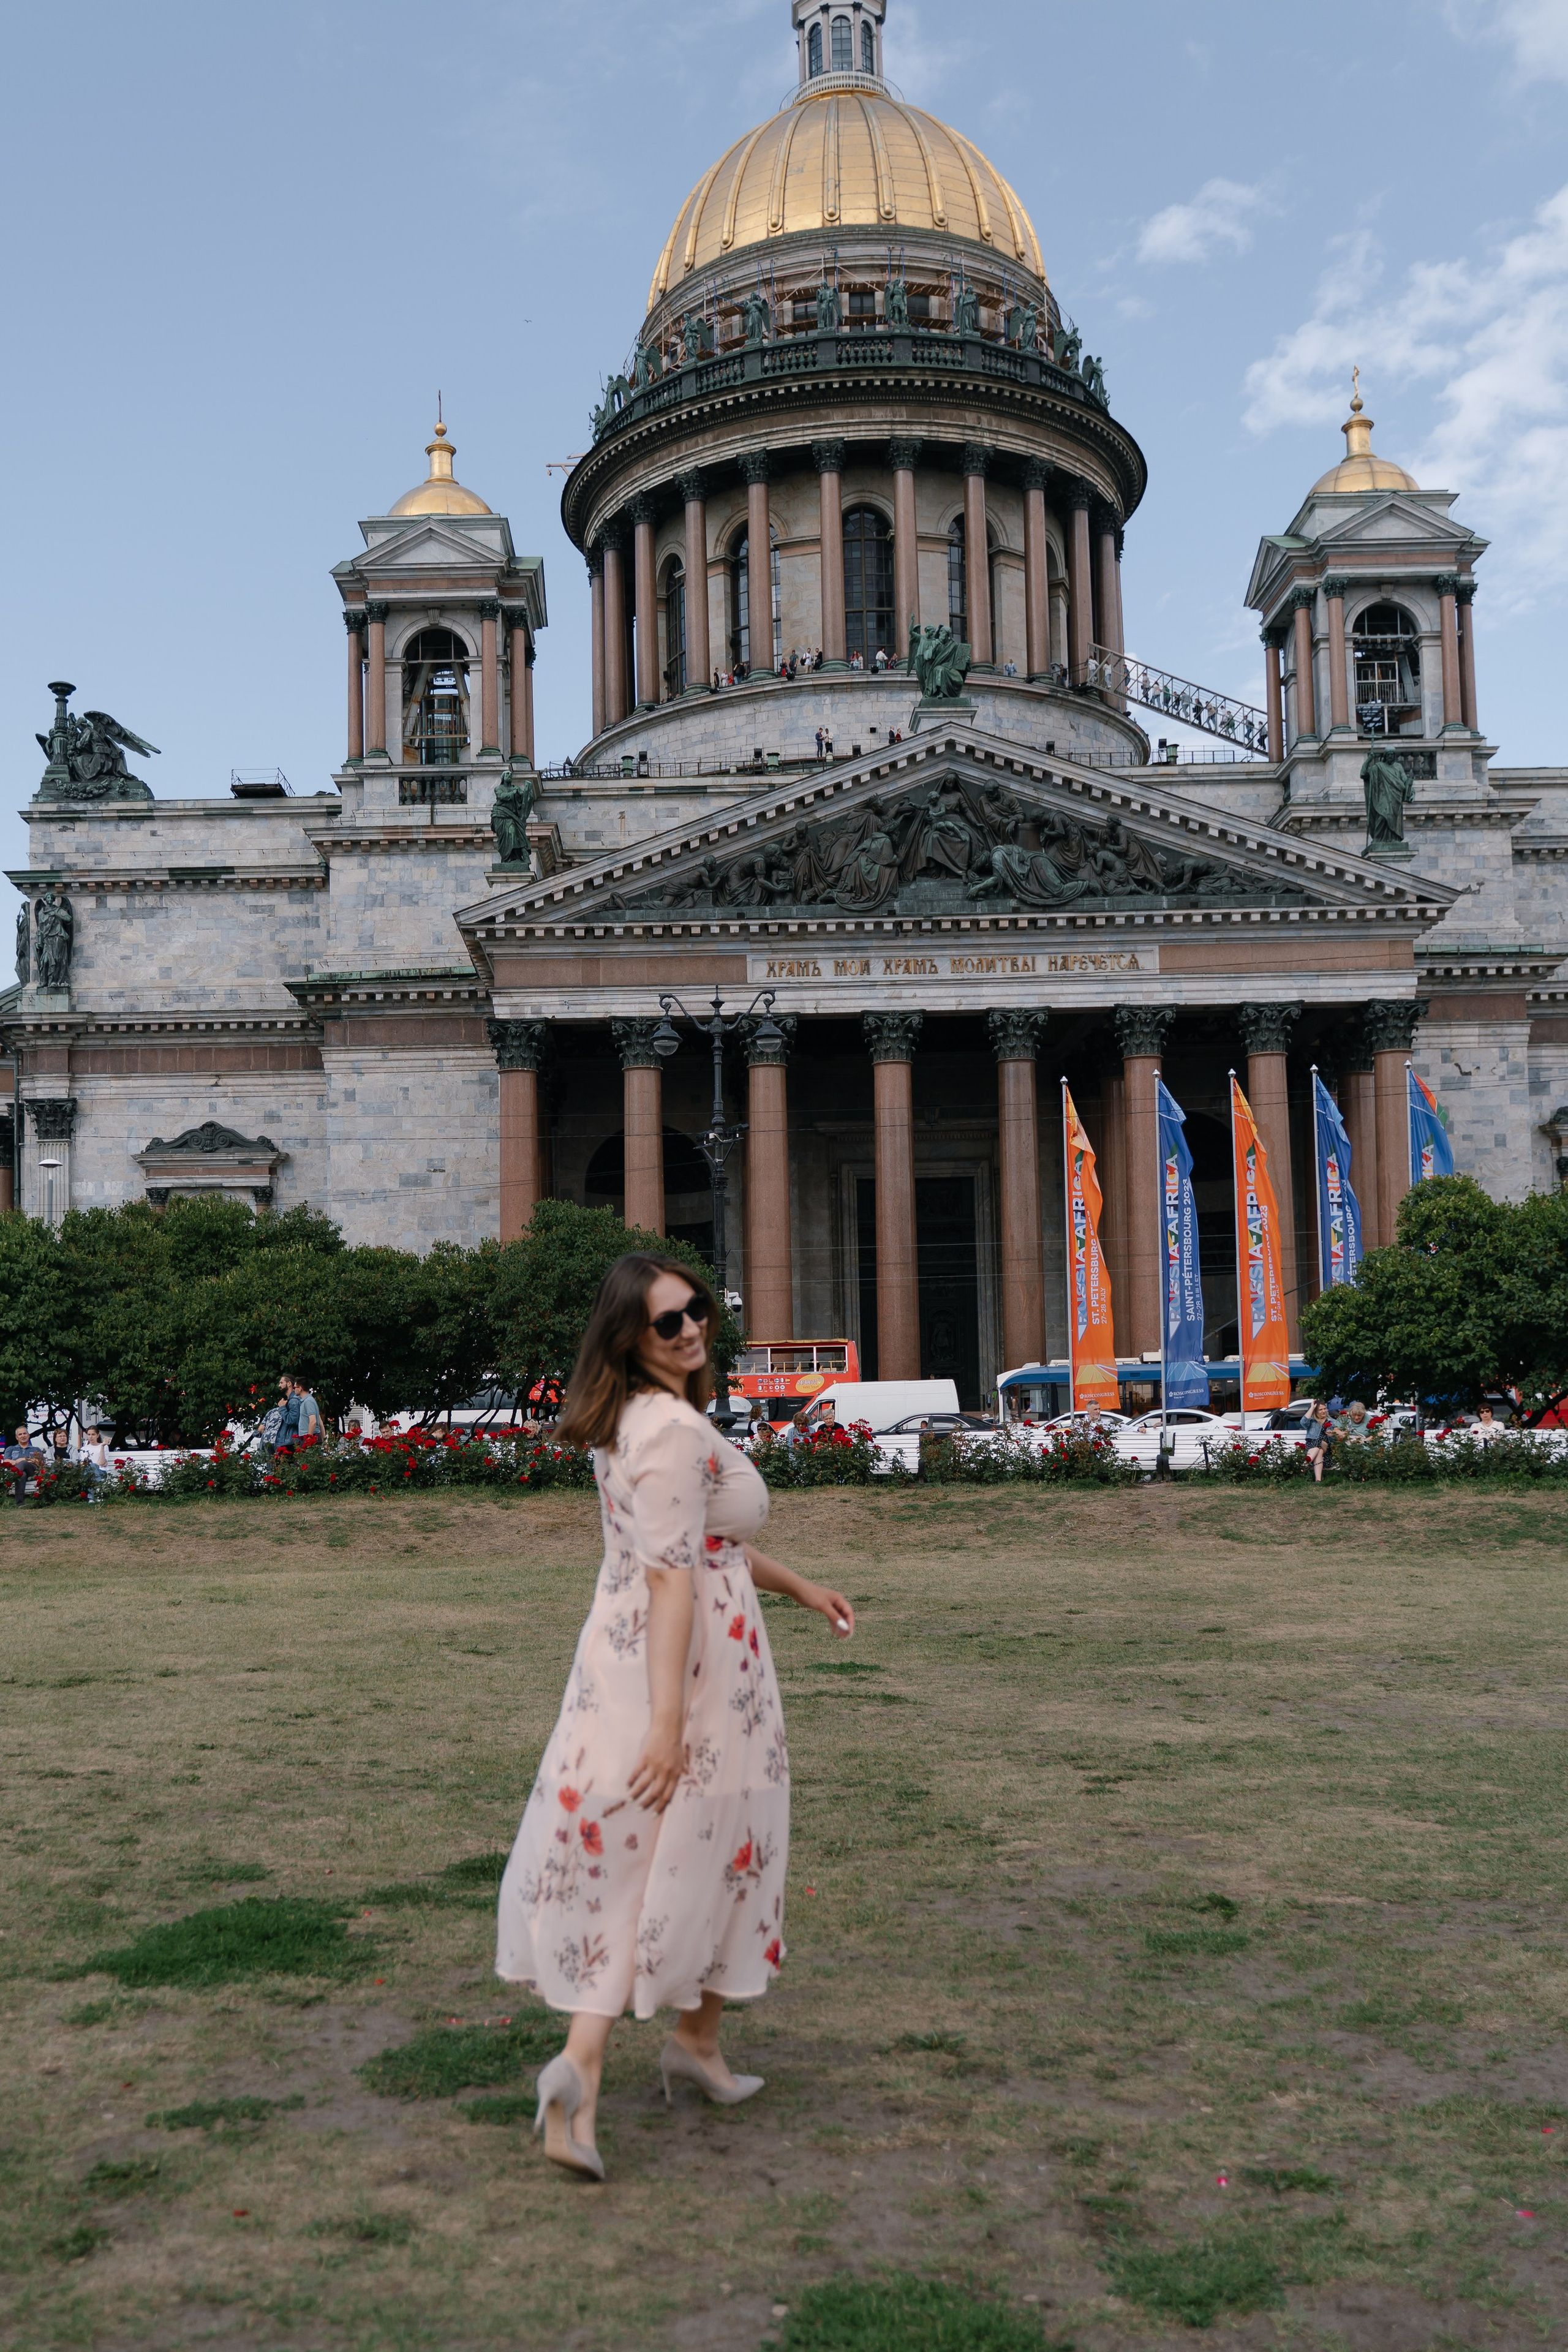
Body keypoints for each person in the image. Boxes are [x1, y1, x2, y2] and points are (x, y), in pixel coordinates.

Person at [496, 1254, 854, 2182]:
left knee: (661, 1853)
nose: (692, 1329)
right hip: (687, 1671)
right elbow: (672, 1582)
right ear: (630, 1337)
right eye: (668, 1322)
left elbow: (704, 1549)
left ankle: (636, 2054)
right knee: (701, 1845)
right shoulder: (676, 1432)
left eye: (695, 1310)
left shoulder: (630, 1422)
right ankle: (622, 2056)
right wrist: (667, 1724)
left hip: (635, 1654)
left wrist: (804, 1588)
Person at [4, 1426, 45, 1506]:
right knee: (22, 1475)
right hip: (20, 1473)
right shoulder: (11, 1449)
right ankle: (20, 1503)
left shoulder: (36, 1449)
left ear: (28, 1435)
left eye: (24, 1434)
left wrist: (24, 1460)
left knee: (23, 1463)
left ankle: (14, 1475)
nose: (23, 1436)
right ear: (17, 1437)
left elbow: (39, 1462)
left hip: (33, 1472)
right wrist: (16, 1461)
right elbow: (6, 1461)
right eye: (20, 1434)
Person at [1302, 1398, 1332, 1483]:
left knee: (1319, 1441)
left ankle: (1304, 1465)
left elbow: (1334, 1440)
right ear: (1316, 1411)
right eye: (1320, 1410)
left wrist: (1333, 1434)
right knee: (1319, 1451)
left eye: (1325, 1409)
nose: (1323, 1411)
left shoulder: (1332, 1422)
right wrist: (1312, 1408)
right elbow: (1303, 1422)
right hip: (1313, 1449)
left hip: (1327, 1449)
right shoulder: (1312, 1422)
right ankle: (1318, 1480)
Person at [293, 1379, 324, 1443]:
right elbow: (320, 1423)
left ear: (300, 1388)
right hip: (311, 1436)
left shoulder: (308, 1401)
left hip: (309, 1437)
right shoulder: (308, 1400)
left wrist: (308, 1440)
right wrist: (324, 1441)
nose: (294, 1390)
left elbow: (313, 1421)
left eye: (294, 1388)